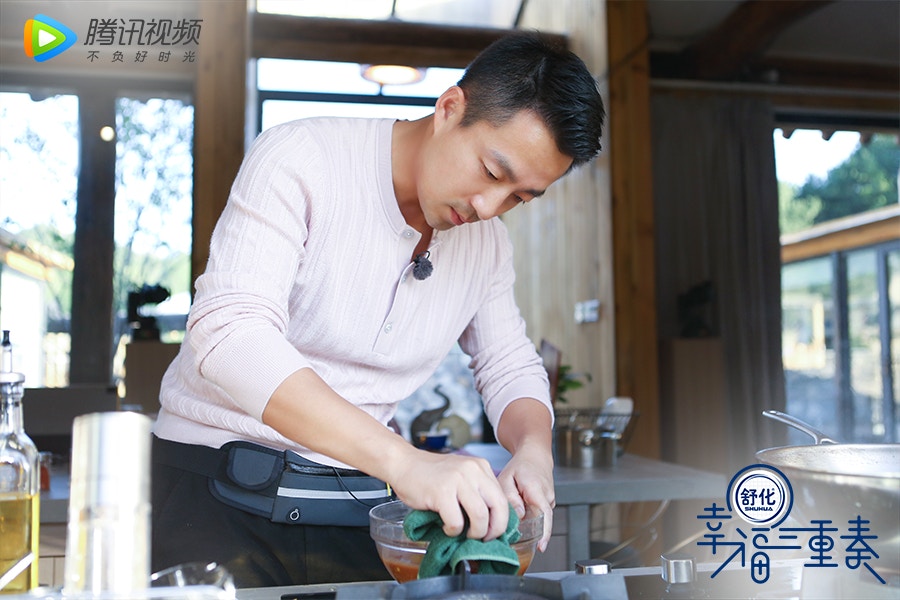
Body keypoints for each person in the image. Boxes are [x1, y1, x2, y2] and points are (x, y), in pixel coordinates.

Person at [150, 30, 605, 588]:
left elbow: (508, 364)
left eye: (519, 198)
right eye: (492, 172)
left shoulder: (487, 245)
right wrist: (405, 462)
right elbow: (231, 335)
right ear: (449, 108)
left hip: (359, 503)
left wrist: (534, 452)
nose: (489, 207)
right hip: (214, 492)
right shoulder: (302, 158)